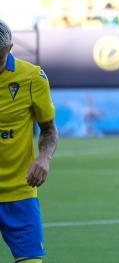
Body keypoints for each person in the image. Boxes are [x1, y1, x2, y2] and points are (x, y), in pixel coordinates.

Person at [0, 19, 58, 262]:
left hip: (20, 193)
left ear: (9, 48)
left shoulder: (33, 77)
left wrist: (44, 157)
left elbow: (49, 129)